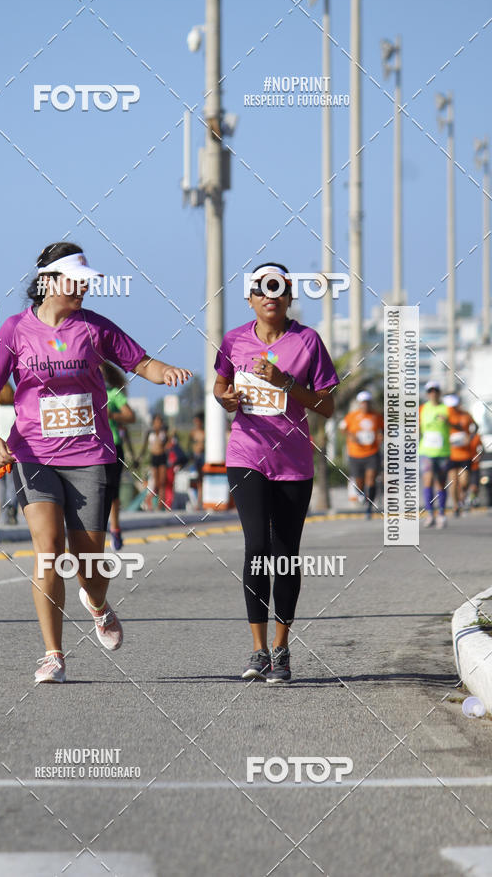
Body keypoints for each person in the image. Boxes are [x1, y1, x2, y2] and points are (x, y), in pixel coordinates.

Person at [0, 242, 191, 684]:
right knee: (48, 551)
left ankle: (98, 605)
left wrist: (168, 372)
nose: (83, 288)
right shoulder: (14, 331)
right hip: (33, 455)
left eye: (87, 282)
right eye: (75, 281)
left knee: (91, 567)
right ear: (49, 281)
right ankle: (53, 655)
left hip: (89, 457)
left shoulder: (94, 327)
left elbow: (140, 362)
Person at [213, 262, 339, 685]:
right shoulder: (233, 340)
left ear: (288, 297)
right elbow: (220, 385)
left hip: (293, 463)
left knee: (285, 552)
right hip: (246, 454)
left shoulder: (307, 342)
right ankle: (258, 649)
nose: (270, 296)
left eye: (279, 288)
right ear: (249, 298)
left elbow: (327, 405)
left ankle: (282, 649)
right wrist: (226, 399)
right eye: (261, 289)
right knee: (256, 545)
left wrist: (286, 382)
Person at [100, 362, 136, 551]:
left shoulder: (113, 393)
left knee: (111, 491)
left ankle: (114, 529)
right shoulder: (82, 394)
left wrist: (111, 415)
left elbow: (131, 416)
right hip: (88, 448)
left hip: (112, 445)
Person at [339, 390, 384, 519]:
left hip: (372, 452)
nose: (365, 405)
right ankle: (363, 495)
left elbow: (385, 429)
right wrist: (350, 435)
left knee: (371, 478)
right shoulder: (352, 416)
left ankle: (369, 507)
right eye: (363, 403)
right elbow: (342, 428)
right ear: (360, 404)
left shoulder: (376, 416)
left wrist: (382, 436)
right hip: (355, 454)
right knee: (359, 481)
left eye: (367, 402)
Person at [419, 381, 450, 528]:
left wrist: (448, 421)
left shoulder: (447, 409)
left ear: (439, 393)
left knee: (440, 483)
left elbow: (456, 425)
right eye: (430, 391)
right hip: (426, 451)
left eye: (435, 391)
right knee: (428, 480)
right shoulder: (423, 409)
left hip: (443, 451)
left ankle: (441, 514)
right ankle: (430, 513)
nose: (433, 394)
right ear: (427, 394)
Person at [443, 393, 477, 517]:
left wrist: (471, 436)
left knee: (464, 482)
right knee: (453, 481)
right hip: (451, 454)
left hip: (465, 454)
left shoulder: (466, 415)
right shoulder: (446, 413)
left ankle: (462, 498)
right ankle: (456, 505)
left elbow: (475, 426)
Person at [0, 382, 19, 524]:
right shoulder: (15, 411)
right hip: (12, 451)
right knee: (13, 484)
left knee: (1, 485)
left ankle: (4, 514)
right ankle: (12, 506)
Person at [140, 414, 169, 509]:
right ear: (153, 423)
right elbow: (144, 446)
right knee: (156, 482)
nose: (158, 424)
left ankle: (161, 505)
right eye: (156, 422)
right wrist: (140, 457)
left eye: (160, 422)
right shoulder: (149, 432)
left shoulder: (163, 432)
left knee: (162, 482)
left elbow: (166, 444)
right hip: (154, 457)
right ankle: (149, 500)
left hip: (162, 457)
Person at [189, 412, 205, 509]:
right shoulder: (193, 432)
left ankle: (199, 502)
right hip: (195, 456)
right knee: (195, 480)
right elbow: (189, 445)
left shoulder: (204, 432)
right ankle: (196, 501)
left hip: (202, 456)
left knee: (201, 480)